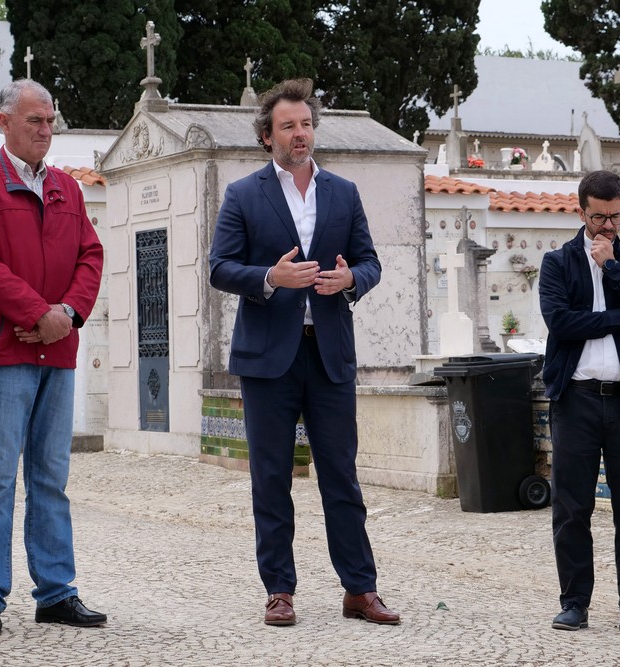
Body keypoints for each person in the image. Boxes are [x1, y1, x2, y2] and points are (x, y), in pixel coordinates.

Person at [208, 78, 398, 627]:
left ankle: (359, 590)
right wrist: (271, 276)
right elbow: (220, 266)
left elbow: (370, 262)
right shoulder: (244, 194)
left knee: (341, 474)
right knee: (271, 478)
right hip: (268, 359)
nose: (299, 134)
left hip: (330, 353)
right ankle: (279, 590)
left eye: (306, 124)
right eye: (288, 126)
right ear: (267, 136)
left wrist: (350, 281)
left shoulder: (343, 192)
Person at [0, 79, 104, 637]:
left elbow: (91, 253)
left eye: (50, 120)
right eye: (35, 120)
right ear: (4, 122)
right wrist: (40, 312)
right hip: (1, 352)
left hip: (57, 351)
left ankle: (56, 592)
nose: (46, 129)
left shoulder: (68, 188)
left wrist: (68, 314)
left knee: (51, 477)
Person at [540, 169, 620, 638]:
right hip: (575, 400)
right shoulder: (557, 263)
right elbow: (561, 322)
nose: (608, 226)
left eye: (616, 216)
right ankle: (574, 603)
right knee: (572, 506)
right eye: (599, 218)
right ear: (581, 213)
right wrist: (619, 315)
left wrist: (613, 266)